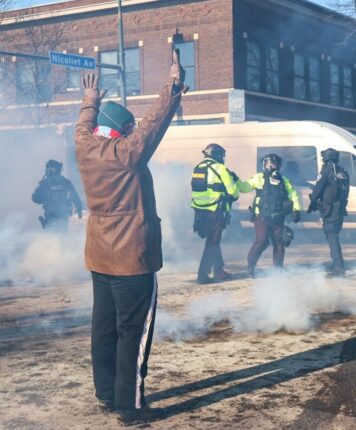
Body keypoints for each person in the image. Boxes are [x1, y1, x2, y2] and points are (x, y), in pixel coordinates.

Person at [75, 50, 186, 425]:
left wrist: (90, 101)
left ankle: (107, 395)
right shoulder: (127, 153)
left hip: (99, 257)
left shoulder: (84, 147)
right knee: (133, 334)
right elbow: (153, 124)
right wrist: (172, 85)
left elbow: (83, 126)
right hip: (132, 260)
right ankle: (130, 406)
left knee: (104, 329)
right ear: (123, 130)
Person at [190, 143, 247, 284]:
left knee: (213, 240)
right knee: (212, 242)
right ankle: (202, 275)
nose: (223, 158)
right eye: (222, 155)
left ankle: (219, 270)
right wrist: (233, 182)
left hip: (199, 211)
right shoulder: (221, 169)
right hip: (215, 210)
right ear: (217, 155)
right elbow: (234, 192)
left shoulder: (197, 168)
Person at [244, 154, 302, 275]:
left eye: (272, 163)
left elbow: (293, 195)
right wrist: (234, 180)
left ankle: (278, 270)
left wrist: (296, 210)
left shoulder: (283, 180)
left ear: (278, 165)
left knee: (278, 242)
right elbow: (244, 187)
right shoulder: (259, 177)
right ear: (263, 165)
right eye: (267, 163)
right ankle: (251, 266)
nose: (269, 166)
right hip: (261, 216)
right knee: (261, 240)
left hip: (278, 216)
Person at [308, 148, 350, 277]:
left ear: (326, 158)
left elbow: (317, 190)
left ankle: (338, 267)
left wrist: (312, 203)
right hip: (340, 209)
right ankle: (336, 264)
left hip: (330, 210)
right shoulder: (343, 171)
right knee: (333, 235)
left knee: (332, 237)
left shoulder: (326, 171)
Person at [31, 159, 83, 232]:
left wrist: (79, 208)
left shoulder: (65, 183)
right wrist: (43, 195)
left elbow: (75, 196)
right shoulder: (44, 184)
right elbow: (35, 198)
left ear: (58, 170)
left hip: (63, 214)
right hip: (51, 214)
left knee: (61, 232)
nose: (51, 171)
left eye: (52, 169)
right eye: (49, 169)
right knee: (52, 232)